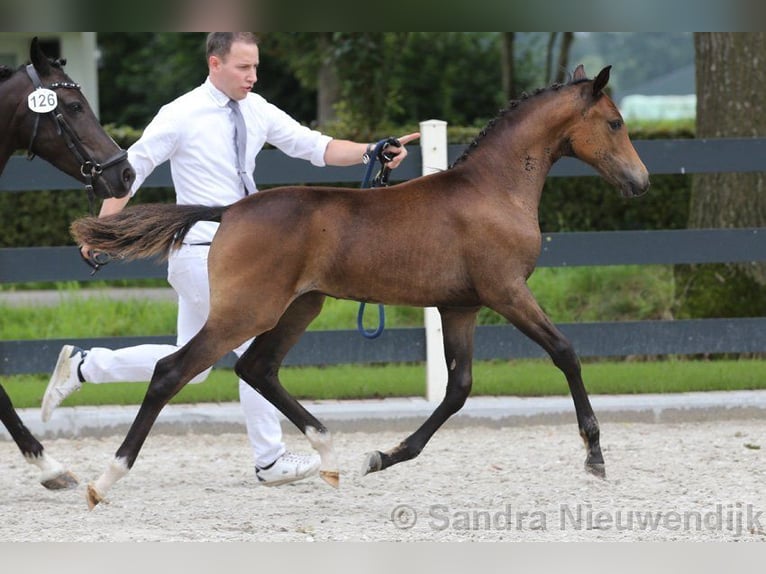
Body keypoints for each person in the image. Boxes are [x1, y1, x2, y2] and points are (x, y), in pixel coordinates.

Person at [42, 32, 419, 487]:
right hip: (202, 252)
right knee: (253, 343)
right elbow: (133, 168)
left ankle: (84, 365)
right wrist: (104, 228)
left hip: (253, 253)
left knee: (191, 367)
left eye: (256, 67)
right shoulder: (180, 114)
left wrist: (371, 150)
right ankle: (270, 459)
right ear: (215, 63)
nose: (253, 76)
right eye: (244, 68)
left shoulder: (255, 109)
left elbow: (313, 146)